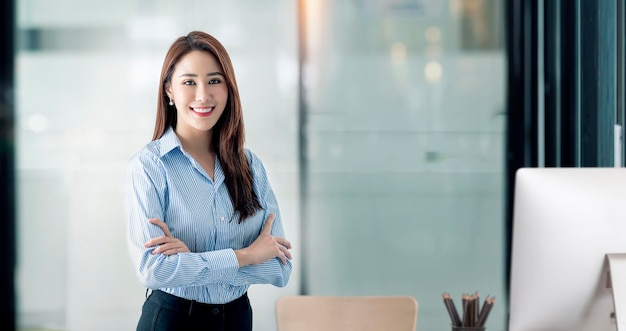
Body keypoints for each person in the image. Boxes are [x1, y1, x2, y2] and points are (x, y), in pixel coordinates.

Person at [124, 31, 293, 331]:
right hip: (173, 320)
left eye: (214, 80)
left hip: (237, 319)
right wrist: (247, 255)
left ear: (229, 88)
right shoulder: (149, 166)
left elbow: (279, 268)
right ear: (169, 91)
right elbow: (153, 269)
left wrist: (193, 262)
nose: (203, 95)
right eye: (189, 82)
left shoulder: (251, 166)